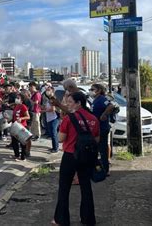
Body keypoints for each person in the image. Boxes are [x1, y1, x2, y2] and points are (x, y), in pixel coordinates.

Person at [52, 92, 100, 226]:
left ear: (79, 103)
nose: (67, 104)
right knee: (86, 187)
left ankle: (62, 219)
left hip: (70, 155)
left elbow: (61, 138)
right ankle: (88, 219)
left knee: (64, 189)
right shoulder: (93, 118)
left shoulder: (69, 118)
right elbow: (96, 139)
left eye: (70, 102)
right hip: (86, 157)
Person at [89, 83, 114, 176]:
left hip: (102, 128)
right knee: (96, 150)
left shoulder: (102, 99)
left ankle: (105, 170)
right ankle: (98, 169)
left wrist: (104, 114)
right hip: (96, 128)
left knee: (103, 150)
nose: (91, 91)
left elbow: (111, 106)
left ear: (99, 90)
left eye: (93, 89)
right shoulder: (95, 100)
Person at [11, 93, 31, 161]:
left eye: (18, 98)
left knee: (23, 143)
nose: (16, 99)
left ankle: (23, 157)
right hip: (15, 126)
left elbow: (28, 117)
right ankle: (16, 155)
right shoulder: (16, 106)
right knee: (14, 142)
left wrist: (21, 118)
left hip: (22, 126)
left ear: (22, 100)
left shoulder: (23, 106)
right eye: (16, 97)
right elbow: (14, 116)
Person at [43, 85, 59, 153]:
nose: (47, 91)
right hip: (49, 118)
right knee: (51, 134)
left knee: (53, 133)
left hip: (54, 118)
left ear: (52, 91)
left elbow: (53, 109)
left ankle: (55, 148)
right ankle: (53, 147)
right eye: (46, 90)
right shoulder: (48, 99)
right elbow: (48, 108)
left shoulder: (53, 99)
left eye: (48, 90)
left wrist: (44, 111)